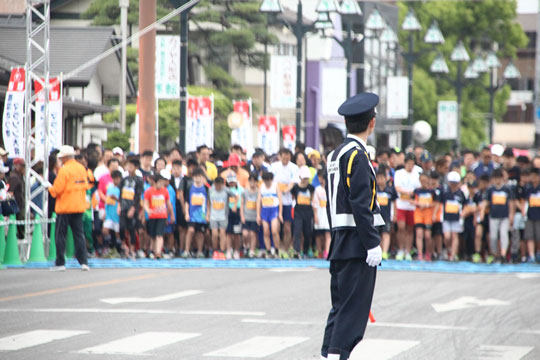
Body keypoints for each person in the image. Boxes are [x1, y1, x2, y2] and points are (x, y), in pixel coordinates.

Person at [322, 93, 383, 360]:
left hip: (340, 240)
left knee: (340, 308)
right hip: (356, 243)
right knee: (353, 311)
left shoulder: (335, 154)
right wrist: (372, 243)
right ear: (372, 123)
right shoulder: (357, 155)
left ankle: (328, 355)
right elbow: (361, 203)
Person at [47, 145, 90, 271]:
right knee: (79, 235)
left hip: (65, 207)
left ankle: (60, 263)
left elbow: (57, 190)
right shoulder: (81, 169)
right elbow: (86, 185)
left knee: (60, 235)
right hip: (78, 207)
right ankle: (84, 262)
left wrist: (49, 188)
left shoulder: (64, 170)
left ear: (64, 158)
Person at [480, 169, 514, 263]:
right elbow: (486, 202)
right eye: (495, 178)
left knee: (503, 235)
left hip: (504, 216)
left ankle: (503, 254)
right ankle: (495, 254)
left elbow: (511, 203)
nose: (497, 180)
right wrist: (482, 212)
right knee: (493, 236)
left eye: (499, 178)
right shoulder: (491, 189)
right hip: (493, 216)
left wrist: (511, 215)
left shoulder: (507, 189)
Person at [271, 148, 298, 257]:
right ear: (280, 156)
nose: (285, 159)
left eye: (287, 156)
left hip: (288, 202)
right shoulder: (274, 166)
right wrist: (279, 190)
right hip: (275, 201)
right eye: (283, 156)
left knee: (287, 227)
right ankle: (277, 248)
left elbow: (294, 182)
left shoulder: (294, 167)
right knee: (276, 227)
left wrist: (286, 190)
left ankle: (285, 249)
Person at [393, 152, 420, 261]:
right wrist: (409, 193)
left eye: (412, 164)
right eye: (409, 163)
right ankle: (400, 249)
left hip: (412, 206)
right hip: (401, 204)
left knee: (410, 229)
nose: (411, 166)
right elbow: (397, 188)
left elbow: (419, 189)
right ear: (405, 163)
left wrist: (412, 195)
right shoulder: (399, 173)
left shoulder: (417, 173)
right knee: (401, 228)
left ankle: (408, 251)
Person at [143, 170, 175, 259]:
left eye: (163, 183)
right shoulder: (148, 191)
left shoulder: (165, 191)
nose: (162, 185)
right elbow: (145, 203)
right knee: (153, 235)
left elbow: (168, 204)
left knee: (160, 235)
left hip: (162, 216)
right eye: (160, 183)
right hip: (152, 216)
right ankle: (152, 251)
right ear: (155, 182)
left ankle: (158, 252)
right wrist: (148, 210)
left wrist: (172, 215)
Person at [118, 157, 144, 260]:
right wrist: (119, 205)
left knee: (132, 229)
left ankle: (132, 250)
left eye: (131, 166)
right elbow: (120, 193)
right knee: (121, 227)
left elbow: (138, 196)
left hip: (133, 208)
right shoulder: (124, 180)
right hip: (123, 206)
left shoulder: (139, 180)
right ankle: (125, 247)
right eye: (128, 166)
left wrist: (133, 208)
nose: (129, 168)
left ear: (136, 167)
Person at [439, 171, 468, 261]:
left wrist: (463, 212)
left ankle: (453, 255)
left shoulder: (461, 193)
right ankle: (448, 249)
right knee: (447, 236)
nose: (453, 185)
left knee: (455, 235)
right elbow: (439, 204)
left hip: (457, 218)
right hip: (446, 218)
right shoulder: (444, 192)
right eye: (452, 183)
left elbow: (465, 204)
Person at [183, 167, 209, 258]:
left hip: (202, 214)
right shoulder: (190, 187)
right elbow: (187, 202)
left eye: (199, 176)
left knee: (200, 233)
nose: (198, 178)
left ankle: (200, 251)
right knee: (190, 230)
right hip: (192, 214)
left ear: (203, 177)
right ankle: (186, 250)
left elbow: (208, 203)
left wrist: (207, 214)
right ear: (193, 177)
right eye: (196, 176)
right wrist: (186, 213)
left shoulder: (206, 188)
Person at [291, 166, 316, 258]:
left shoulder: (311, 188)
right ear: (300, 177)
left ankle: (305, 251)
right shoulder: (295, 188)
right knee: (297, 231)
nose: (305, 180)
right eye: (304, 177)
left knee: (307, 232)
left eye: (307, 178)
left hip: (308, 212)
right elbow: (293, 197)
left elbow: (312, 199)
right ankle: (296, 250)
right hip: (298, 212)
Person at [257, 171, 282, 258]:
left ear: (271, 180)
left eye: (269, 181)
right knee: (266, 232)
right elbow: (259, 201)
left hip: (274, 210)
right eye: (265, 181)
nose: (267, 182)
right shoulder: (262, 187)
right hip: (265, 210)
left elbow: (280, 200)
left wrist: (280, 213)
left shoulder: (275, 186)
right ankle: (268, 251)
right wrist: (258, 215)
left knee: (274, 231)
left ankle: (277, 250)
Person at [413, 172, 437, 261]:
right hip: (419, 214)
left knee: (427, 235)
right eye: (422, 180)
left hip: (428, 215)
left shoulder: (431, 191)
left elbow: (436, 203)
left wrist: (427, 205)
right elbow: (411, 200)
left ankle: (428, 253)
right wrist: (418, 203)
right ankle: (420, 254)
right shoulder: (417, 191)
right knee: (419, 234)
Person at [375, 168, 396, 261]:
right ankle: (378, 251)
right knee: (377, 234)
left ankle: (385, 252)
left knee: (386, 234)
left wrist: (395, 215)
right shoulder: (374, 190)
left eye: (382, 178)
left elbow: (395, 203)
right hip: (376, 216)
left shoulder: (390, 190)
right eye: (378, 178)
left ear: (386, 178)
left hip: (386, 216)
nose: (380, 180)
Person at [208, 176, 230, 260]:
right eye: (217, 185)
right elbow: (208, 202)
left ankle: (222, 251)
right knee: (214, 234)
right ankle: (215, 251)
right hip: (213, 216)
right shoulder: (211, 190)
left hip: (223, 216)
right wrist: (208, 213)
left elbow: (236, 196)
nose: (219, 187)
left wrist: (234, 206)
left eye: (220, 185)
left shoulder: (226, 190)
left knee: (222, 234)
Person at [102, 170, 123, 256]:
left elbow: (122, 200)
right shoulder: (110, 188)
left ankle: (118, 249)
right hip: (109, 214)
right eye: (115, 178)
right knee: (105, 230)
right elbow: (107, 200)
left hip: (117, 215)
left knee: (117, 233)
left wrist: (116, 198)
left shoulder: (121, 189)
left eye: (118, 179)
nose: (116, 180)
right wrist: (104, 212)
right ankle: (109, 245)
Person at [522, 167, 540, 263]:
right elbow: (525, 201)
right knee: (530, 236)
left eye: (535, 176)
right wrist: (523, 211)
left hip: (539, 214)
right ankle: (531, 255)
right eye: (531, 176)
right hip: (530, 214)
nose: (533, 178)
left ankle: (538, 252)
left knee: (539, 235)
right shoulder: (528, 188)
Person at [241, 174, 260, 258]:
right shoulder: (244, 192)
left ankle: (252, 250)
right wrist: (242, 216)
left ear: (257, 182)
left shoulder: (259, 192)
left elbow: (261, 205)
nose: (252, 183)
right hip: (246, 216)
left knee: (253, 234)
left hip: (254, 217)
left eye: (254, 181)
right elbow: (242, 205)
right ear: (248, 182)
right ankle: (246, 246)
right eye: (251, 181)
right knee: (245, 234)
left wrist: (259, 216)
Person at [313, 170, 331, 259]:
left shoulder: (330, 188)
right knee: (319, 235)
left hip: (328, 216)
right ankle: (319, 251)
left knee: (328, 234)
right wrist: (315, 216)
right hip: (320, 215)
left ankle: (327, 252)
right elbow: (315, 204)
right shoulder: (317, 189)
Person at [226, 173, 244, 259]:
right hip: (227, 212)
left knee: (237, 233)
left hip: (237, 212)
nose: (232, 183)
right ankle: (229, 250)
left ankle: (237, 250)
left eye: (233, 181)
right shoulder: (225, 189)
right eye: (230, 182)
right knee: (229, 233)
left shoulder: (241, 190)